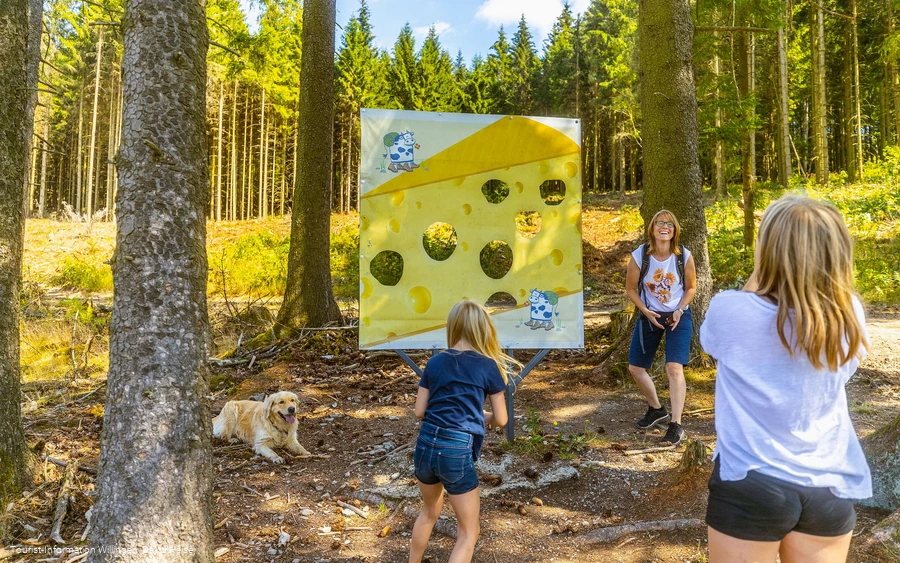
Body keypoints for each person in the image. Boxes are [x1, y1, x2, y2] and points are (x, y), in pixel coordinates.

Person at [700, 195, 870, 563]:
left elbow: (712, 342)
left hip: (752, 480)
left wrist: (764, 271)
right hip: (829, 483)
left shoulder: (730, 310)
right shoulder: (850, 315)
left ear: (767, 251)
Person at [409, 300, 519, 563]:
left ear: (453, 326)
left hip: (425, 444)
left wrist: (469, 413)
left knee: (428, 512)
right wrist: (482, 417)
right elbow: (502, 419)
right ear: (484, 328)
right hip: (456, 450)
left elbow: (419, 411)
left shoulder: (434, 362)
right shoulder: (488, 366)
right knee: (468, 532)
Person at [625, 209, 697, 445]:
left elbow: (691, 288)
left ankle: (676, 425)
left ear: (674, 230)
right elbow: (631, 289)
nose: (664, 227)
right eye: (659, 223)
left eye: (669, 224)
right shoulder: (640, 256)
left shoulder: (683, 256)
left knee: (674, 367)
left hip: (678, 316)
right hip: (650, 315)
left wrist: (679, 309)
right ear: (652, 228)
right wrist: (645, 311)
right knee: (635, 367)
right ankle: (657, 409)